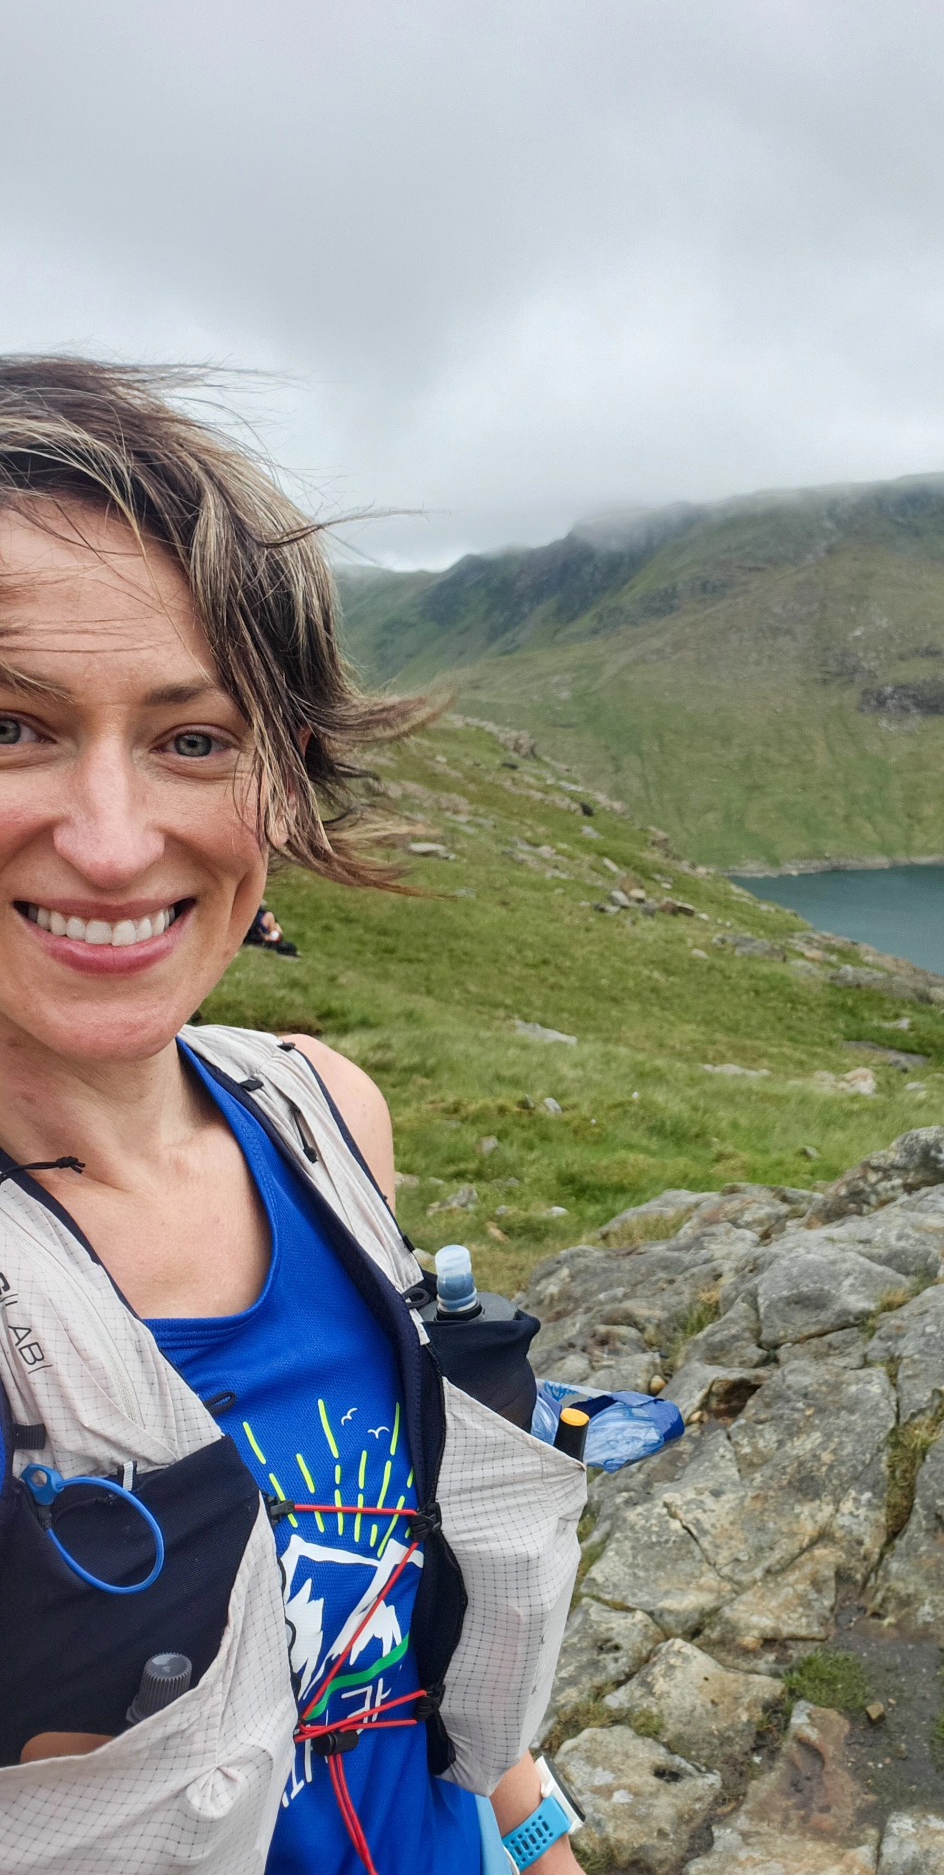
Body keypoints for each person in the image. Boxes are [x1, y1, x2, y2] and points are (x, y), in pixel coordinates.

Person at [0, 359, 587, 1875]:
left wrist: (537, 1829)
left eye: (193, 739)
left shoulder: (321, 1112)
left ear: (280, 782)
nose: (117, 843)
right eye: (12, 727)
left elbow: (403, 1622)